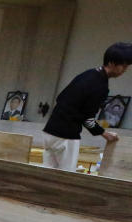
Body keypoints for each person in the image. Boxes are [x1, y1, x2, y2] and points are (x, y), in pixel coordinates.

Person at [43, 42, 132, 170]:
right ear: (112, 63)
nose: (124, 70)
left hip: (49, 131)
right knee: (66, 179)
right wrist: (104, 134)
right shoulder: (100, 86)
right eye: (123, 66)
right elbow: (88, 119)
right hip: (66, 136)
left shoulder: (88, 74)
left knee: (45, 176)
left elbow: (60, 98)